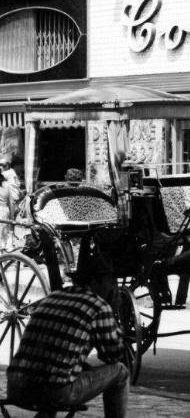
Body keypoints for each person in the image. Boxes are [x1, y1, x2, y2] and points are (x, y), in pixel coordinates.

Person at [7, 248, 129, 418]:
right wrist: (114, 314)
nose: (113, 287)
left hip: (15, 387)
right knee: (121, 372)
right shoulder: (99, 306)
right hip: (54, 392)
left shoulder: (53, 296)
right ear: (96, 281)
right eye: (111, 281)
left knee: (59, 369)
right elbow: (113, 356)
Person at [0, 170, 15, 250]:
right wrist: (12, 218)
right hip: (5, 211)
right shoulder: (7, 185)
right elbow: (11, 203)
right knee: (4, 233)